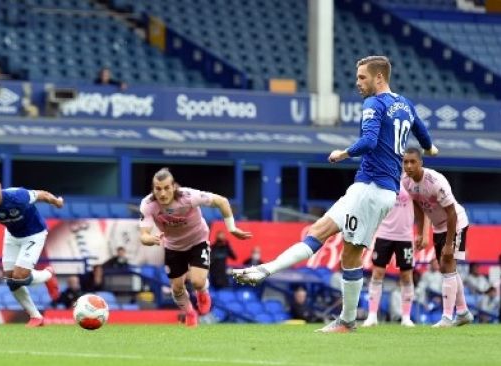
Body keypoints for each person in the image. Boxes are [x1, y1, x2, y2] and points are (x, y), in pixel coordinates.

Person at [233, 55, 437, 333]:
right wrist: (431, 149)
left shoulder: (374, 104)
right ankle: (266, 270)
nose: (358, 83)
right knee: (322, 231)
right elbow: (423, 137)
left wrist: (342, 153)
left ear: (379, 77)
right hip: (372, 189)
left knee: (348, 255)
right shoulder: (405, 104)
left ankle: (346, 320)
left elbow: (369, 141)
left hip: (372, 189)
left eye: (363, 77)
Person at [139, 168, 252, 327]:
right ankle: (190, 313)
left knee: (197, 282)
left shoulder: (188, 196)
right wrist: (150, 239)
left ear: (174, 186)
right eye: (158, 189)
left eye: (166, 188)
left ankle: (203, 293)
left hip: (197, 242)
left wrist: (232, 228)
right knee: (177, 289)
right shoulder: (148, 204)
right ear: (153, 189)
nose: (162, 193)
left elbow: (222, 201)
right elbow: (143, 235)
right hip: (173, 247)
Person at [0, 173, 63, 327]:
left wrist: (56, 202)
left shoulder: (17, 196)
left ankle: (48, 274)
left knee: (20, 276)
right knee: (11, 281)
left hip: (34, 233)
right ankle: (36, 317)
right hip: (12, 235)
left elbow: (42, 195)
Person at [402, 148, 474, 327]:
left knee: (447, 262)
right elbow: (418, 205)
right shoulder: (405, 182)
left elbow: (452, 213)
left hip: (456, 222)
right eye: (405, 162)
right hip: (438, 226)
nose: (409, 166)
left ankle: (447, 317)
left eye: (413, 162)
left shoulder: (435, 182)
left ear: (421, 163)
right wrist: (420, 231)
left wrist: (449, 244)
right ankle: (463, 312)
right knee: (445, 267)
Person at [362, 185, 430, 327]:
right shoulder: (384, 178)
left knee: (406, 276)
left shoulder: (411, 182)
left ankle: (406, 317)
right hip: (383, 233)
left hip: (405, 236)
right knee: (377, 273)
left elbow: (421, 207)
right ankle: (372, 316)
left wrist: (421, 233)